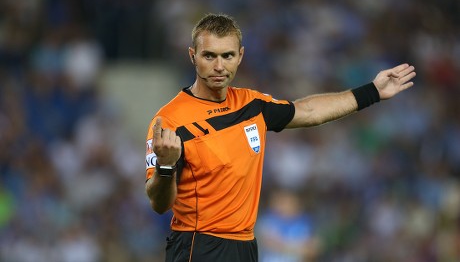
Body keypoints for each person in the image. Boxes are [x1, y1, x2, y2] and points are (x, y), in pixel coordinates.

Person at [144, 13, 416, 262]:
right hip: (198, 246)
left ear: (240, 55)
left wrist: (373, 92)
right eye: (209, 56)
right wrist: (166, 166)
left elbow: (308, 111)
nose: (219, 66)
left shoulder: (252, 105)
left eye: (227, 56)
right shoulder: (169, 121)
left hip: (245, 245)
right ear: (192, 55)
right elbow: (159, 204)